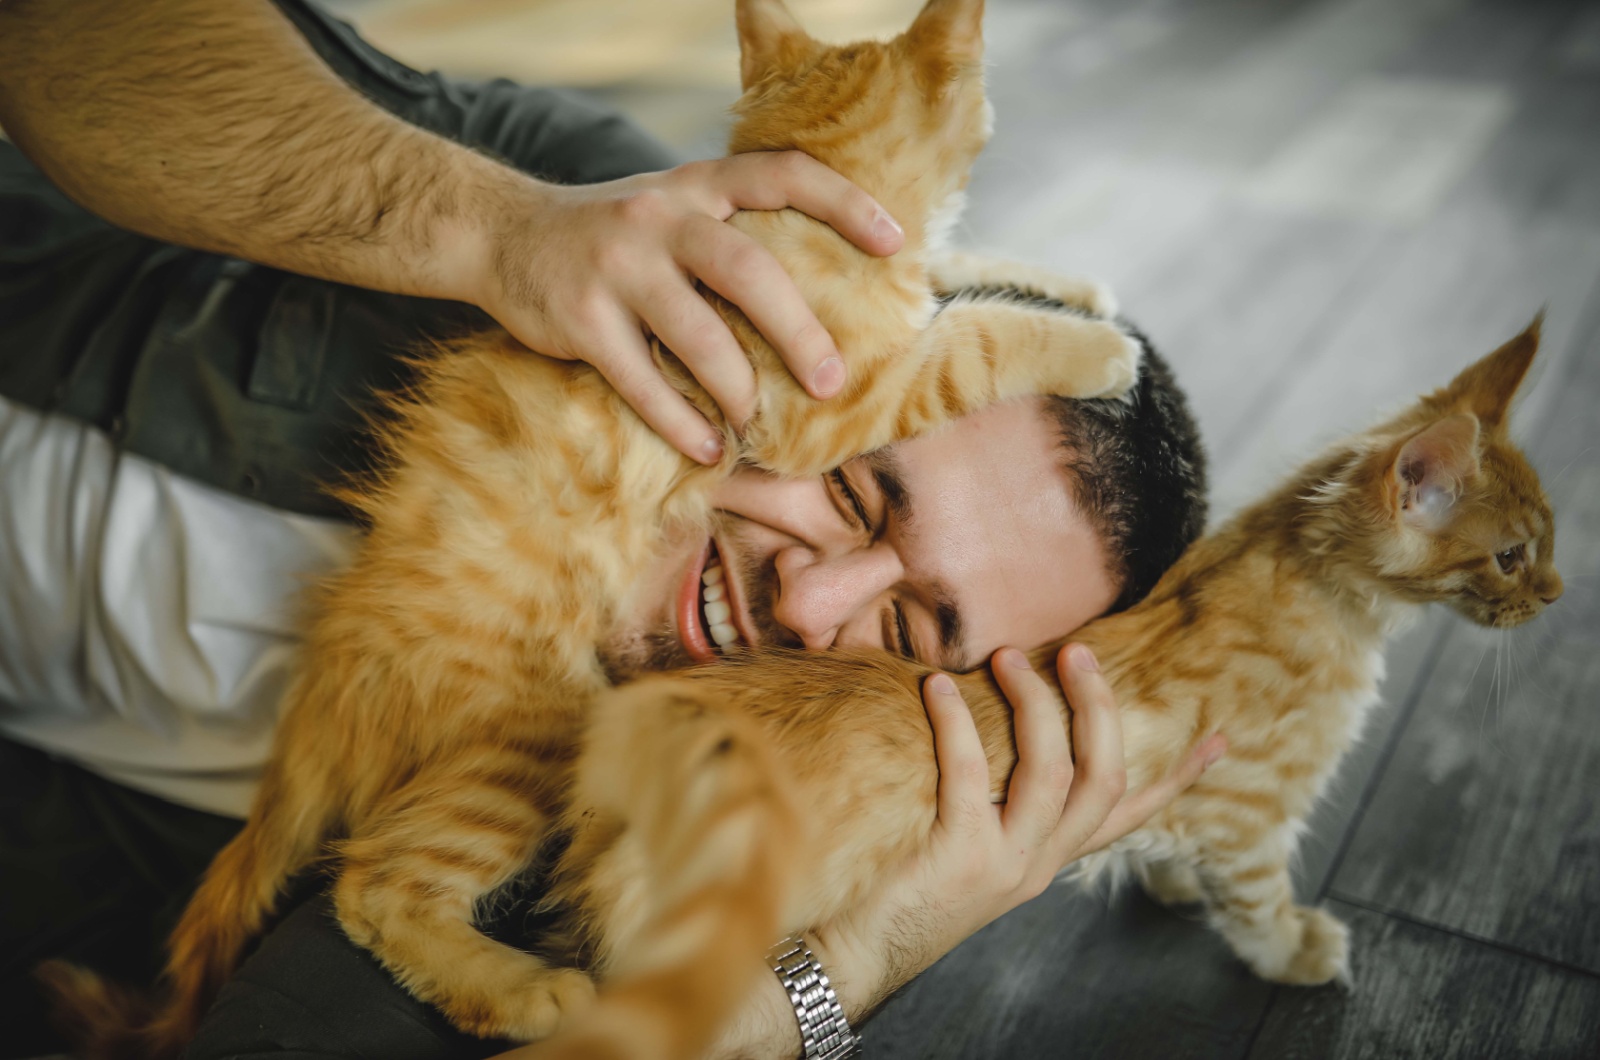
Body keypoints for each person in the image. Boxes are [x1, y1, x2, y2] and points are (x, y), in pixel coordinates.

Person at [0, 1, 1220, 1056]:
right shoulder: (623, 222)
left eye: (905, 630)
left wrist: (855, 959)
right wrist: (485, 229)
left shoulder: (627, 849)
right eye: (852, 491)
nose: (805, 606)